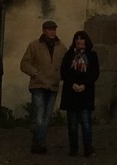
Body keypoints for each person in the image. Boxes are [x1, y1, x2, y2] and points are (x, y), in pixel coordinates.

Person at [20, 19, 67, 154]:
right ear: (44, 30)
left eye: (54, 29)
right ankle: (40, 143)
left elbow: (65, 65)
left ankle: (38, 141)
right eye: (50, 29)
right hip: (38, 84)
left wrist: (61, 76)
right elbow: (24, 63)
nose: (52, 32)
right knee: (40, 115)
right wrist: (35, 72)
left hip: (53, 85)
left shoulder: (61, 47)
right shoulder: (34, 45)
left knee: (46, 117)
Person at [60, 30, 100, 157]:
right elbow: (64, 72)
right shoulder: (69, 55)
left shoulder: (92, 55)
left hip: (85, 93)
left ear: (86, 41)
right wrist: (72, 84)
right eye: (77, 39)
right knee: (72, 123)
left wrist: (85, 85)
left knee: (86, 122)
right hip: (71, 93)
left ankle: (88, 148)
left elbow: (94, 73)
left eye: (81, 39)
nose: (79, 41)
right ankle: (73, 148)